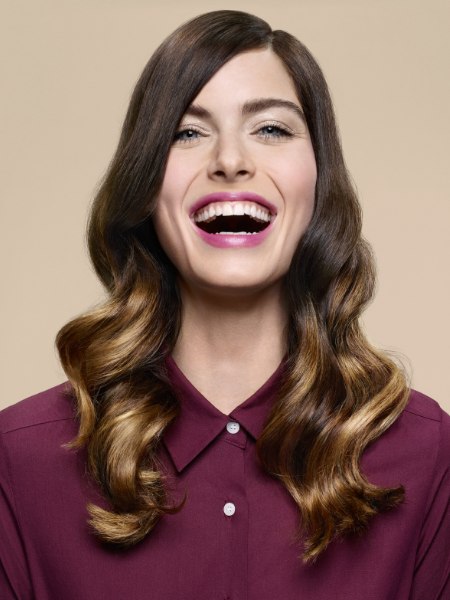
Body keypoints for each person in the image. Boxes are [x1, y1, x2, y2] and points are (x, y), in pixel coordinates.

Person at [0, 10, 448, 600]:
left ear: (318, 179)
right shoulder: (20, 460)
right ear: (145, 186)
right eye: (187, 132)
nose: (230, 161)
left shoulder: (426, 451)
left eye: (271, 129)